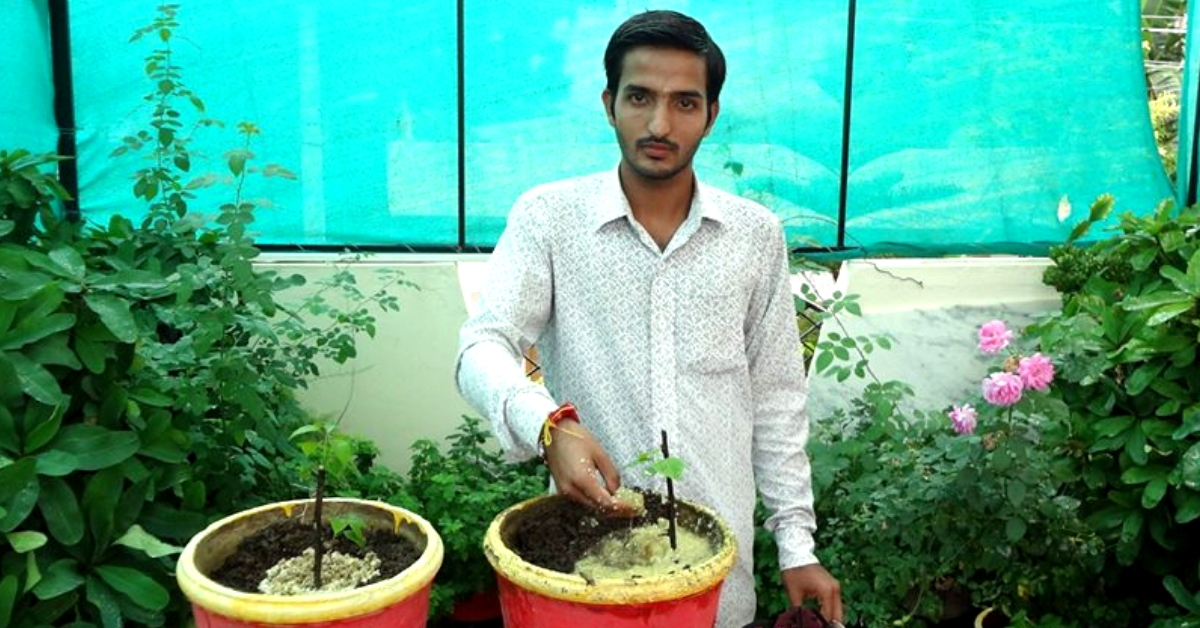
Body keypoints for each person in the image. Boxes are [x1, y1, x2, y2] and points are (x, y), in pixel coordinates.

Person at [455, 9, 843, 628]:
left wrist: (798, 548)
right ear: (609, 103)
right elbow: (482, 345)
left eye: (685, 103)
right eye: (640, 97)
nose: (660, 123)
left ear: (711, 115)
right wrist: (549, 426)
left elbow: (774, 398)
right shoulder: (551, 220)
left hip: (718, 582)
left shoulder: (754, 236)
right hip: (587, 577)